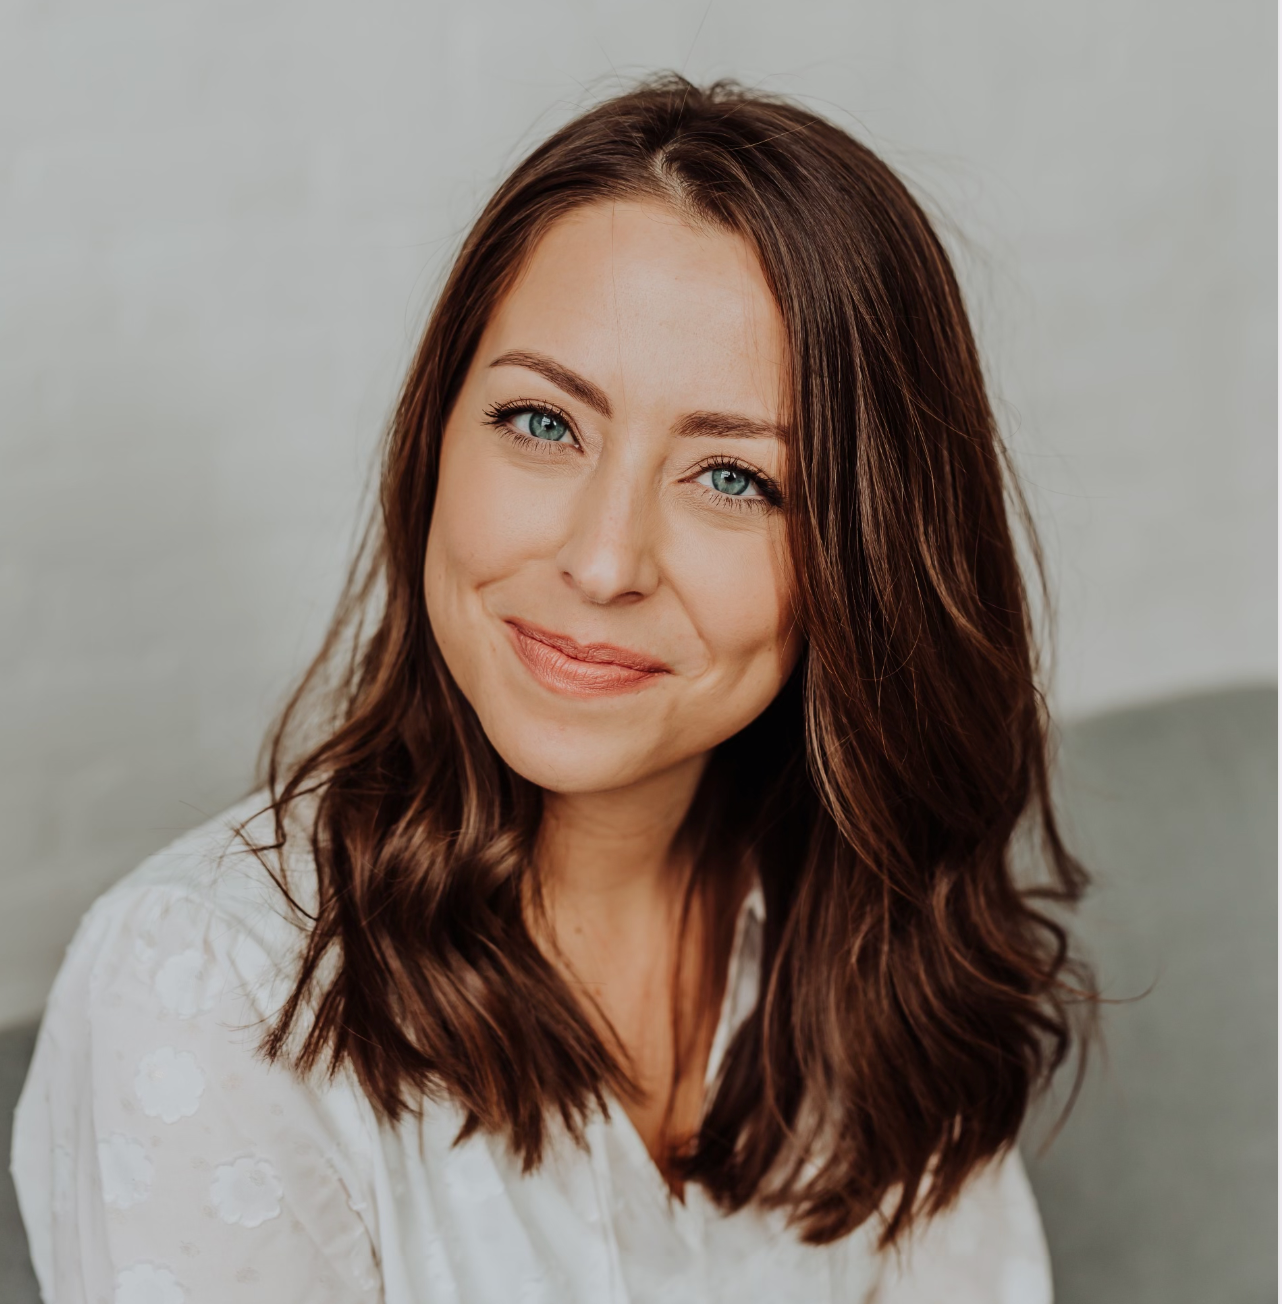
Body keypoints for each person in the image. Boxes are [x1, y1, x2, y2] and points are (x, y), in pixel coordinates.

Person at [12, 76, 1091, 1303]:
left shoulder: (861, 939)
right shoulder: (209, 986)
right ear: (434, 443)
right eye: (541, 421)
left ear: (865, 559)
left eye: (734, 478)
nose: (602, 559)